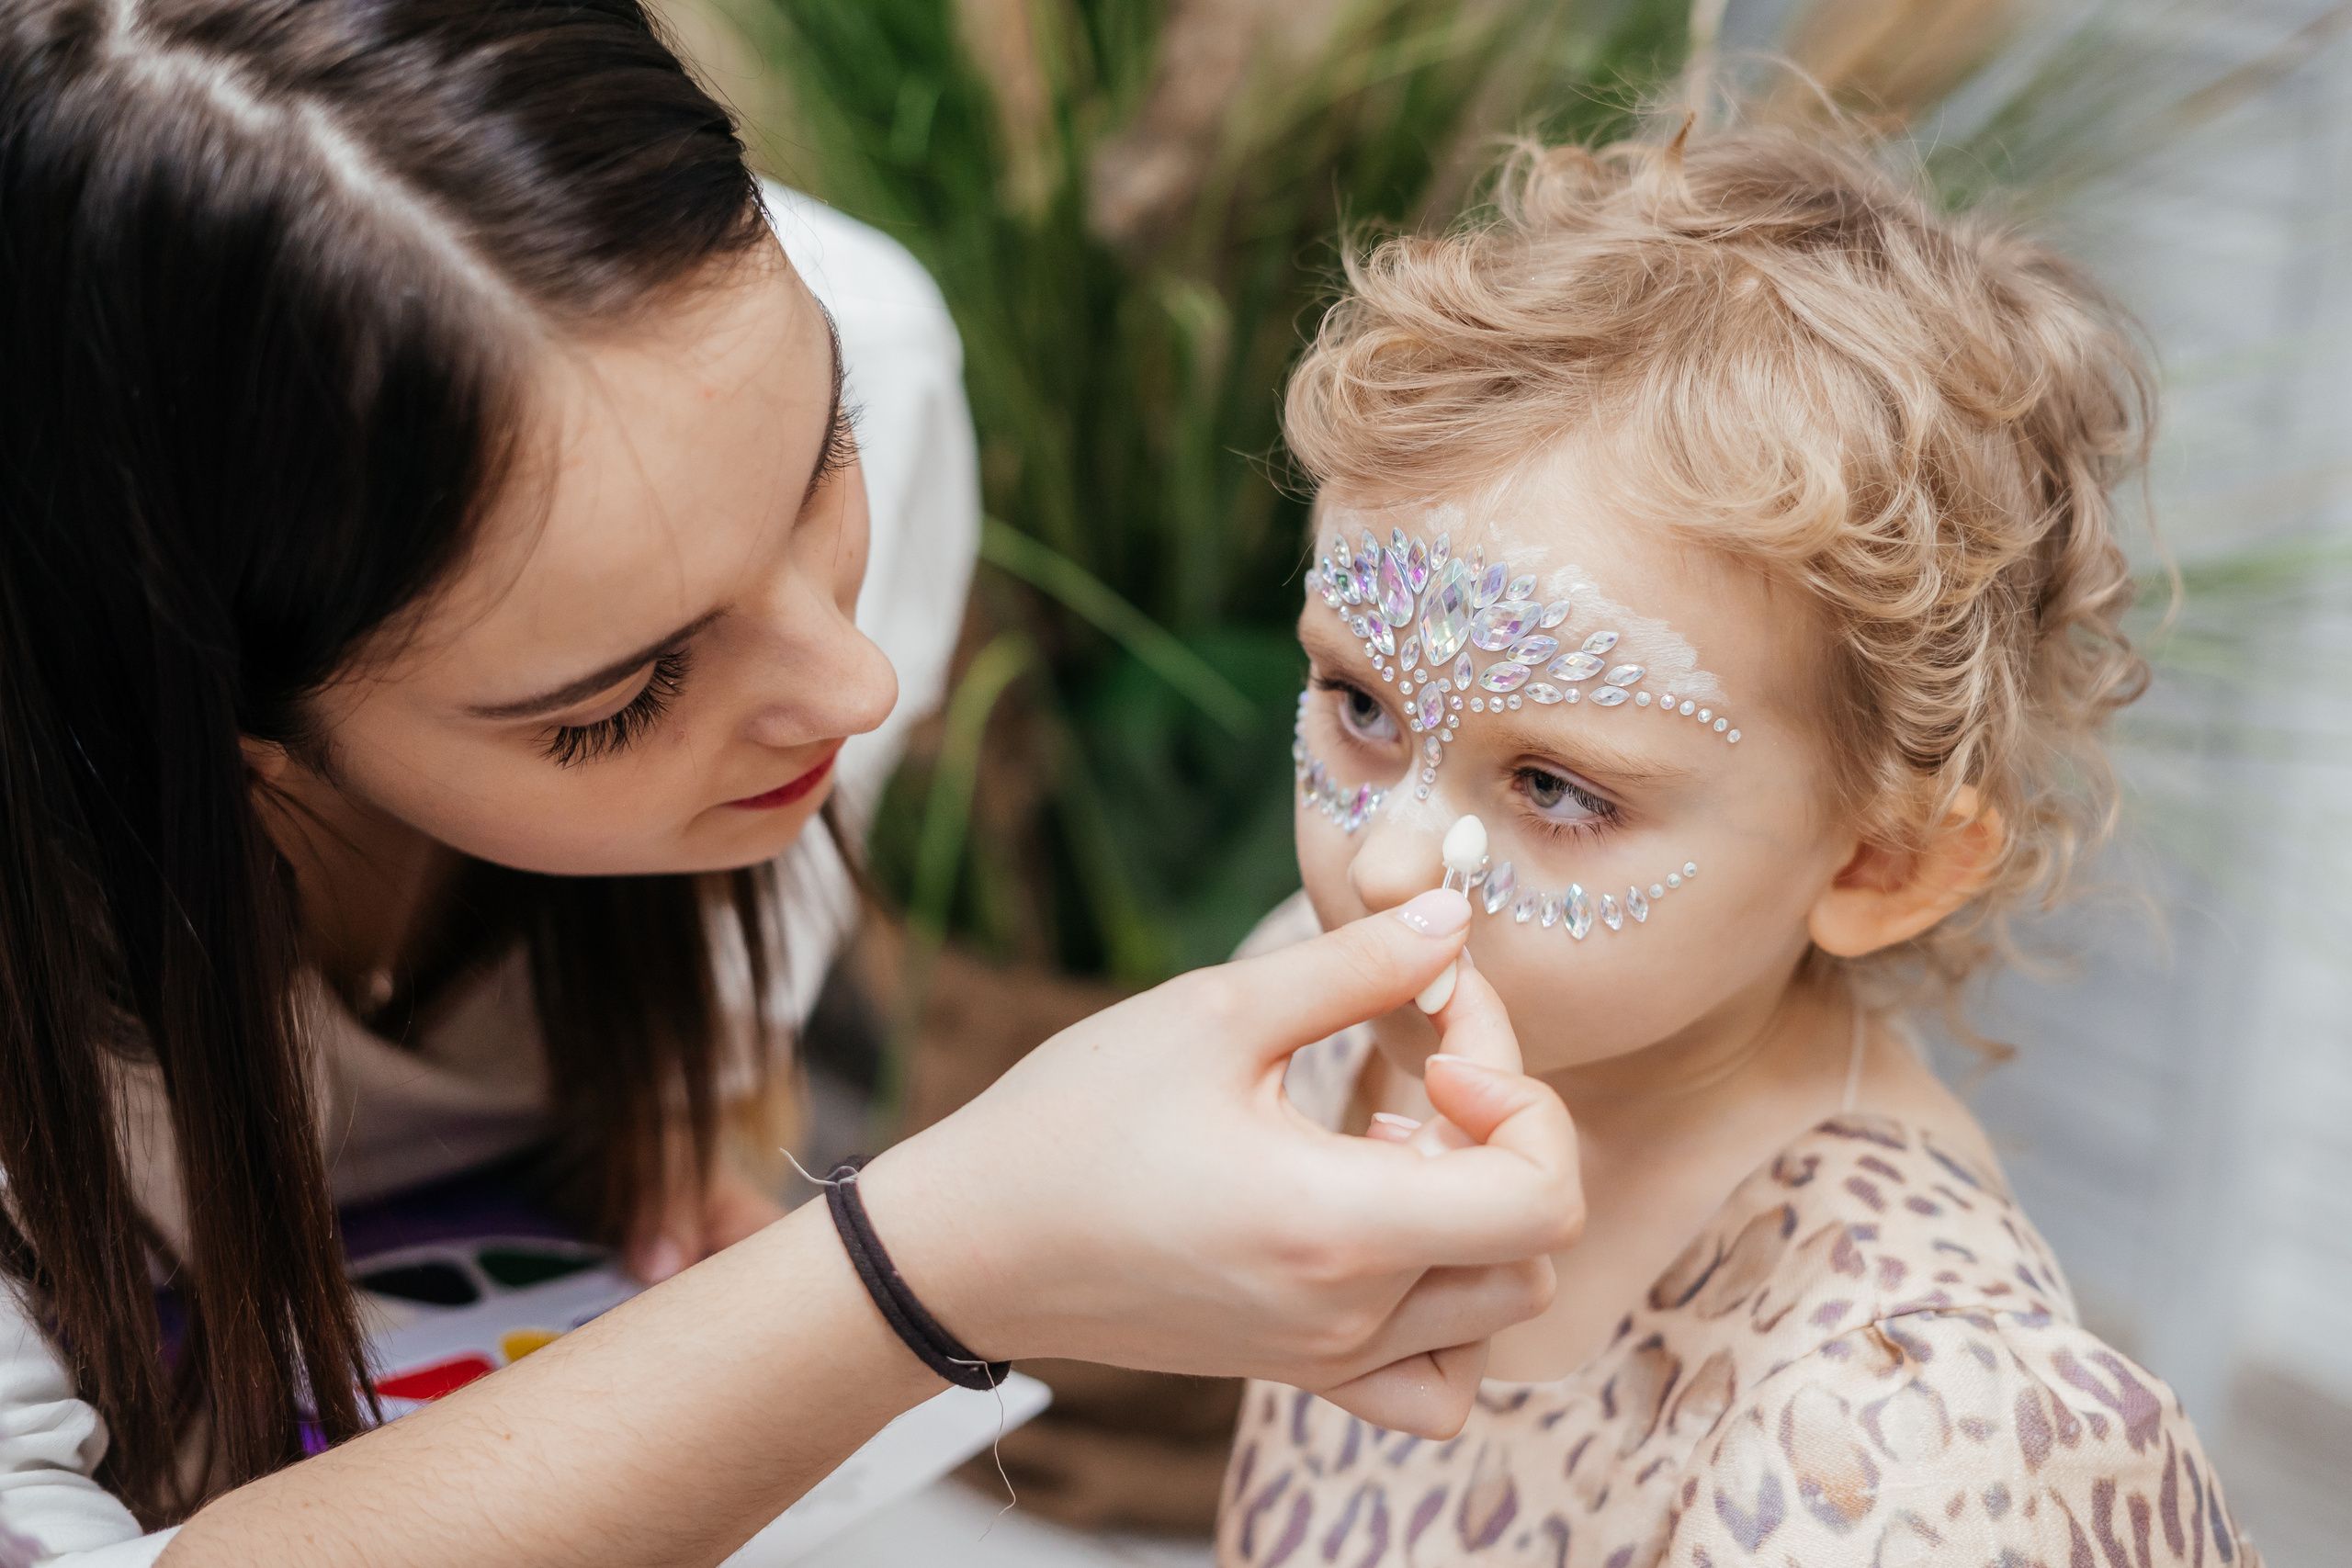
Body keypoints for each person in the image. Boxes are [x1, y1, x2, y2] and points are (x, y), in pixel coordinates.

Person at [0, 3, 1586, 1563]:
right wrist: (926, 1262)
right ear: (216, 720)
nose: (861, 686)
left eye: (826, 453)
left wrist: (697, 1118)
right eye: (624, 699)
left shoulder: (869, 334)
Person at [1219, 120, 2263, 1565]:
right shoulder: (1324, 1033)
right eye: (1361, 704)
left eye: (1561, 792)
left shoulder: (1913, 1438)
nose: (1387, 867)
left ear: (1877, 866)